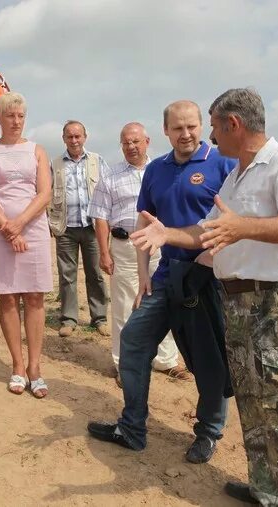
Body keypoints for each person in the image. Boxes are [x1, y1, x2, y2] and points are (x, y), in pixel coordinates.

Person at [130, 88, 278, 506]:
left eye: (213, 126)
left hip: (273, 305)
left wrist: (245, 227)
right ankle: (263, 488)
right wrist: (168, 235)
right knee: (252, 403)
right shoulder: (237, 175)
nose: (210, 136)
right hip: (236, 303)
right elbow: (209, 229)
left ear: (234, 124)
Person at [87, 101, 235, 466]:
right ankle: (132, 428)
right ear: (165, 131)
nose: (185, 135)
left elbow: (235, 224)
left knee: (208, 360)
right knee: (134, 341)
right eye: (177, 128)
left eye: (191, 127)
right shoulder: (156, 170)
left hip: (207, 279)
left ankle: (208, 432)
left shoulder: (224, 165)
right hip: (166, 276)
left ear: (202, 127)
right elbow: (144, 224)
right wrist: (142, 276)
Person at [87, 122, 185, 384]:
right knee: (123, 307)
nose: (131, 147)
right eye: (126, 143)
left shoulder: (163, 171)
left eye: (135, 142)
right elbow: (100, 216)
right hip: (124, 248)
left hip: (158, 247)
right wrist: (105, 253)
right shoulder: (110, 176)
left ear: (147, 142)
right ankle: (124, 364)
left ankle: (166, 360)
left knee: (163, 302)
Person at [0, 91, 52, 398]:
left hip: (32, 228)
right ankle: (17, 366)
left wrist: (20, 224)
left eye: (20, 116)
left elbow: (43, 193)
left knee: (34, 297)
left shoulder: (37, 151)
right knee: (7, 298)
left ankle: (35, 367)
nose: (16, 121)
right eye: (10, 115)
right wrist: (9, 228)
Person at [48, 121, 109, 338]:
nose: (74, 141)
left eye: (78, 136)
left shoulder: (97, 161)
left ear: (85, 137)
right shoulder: (55, 164)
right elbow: (46, 192)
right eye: (70, 137)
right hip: (65, 228)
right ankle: (68, 319)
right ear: (63, 138)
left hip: (93, 227)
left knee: (96, 274)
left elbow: (107, 191)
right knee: (67, 276)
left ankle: (100, 318)